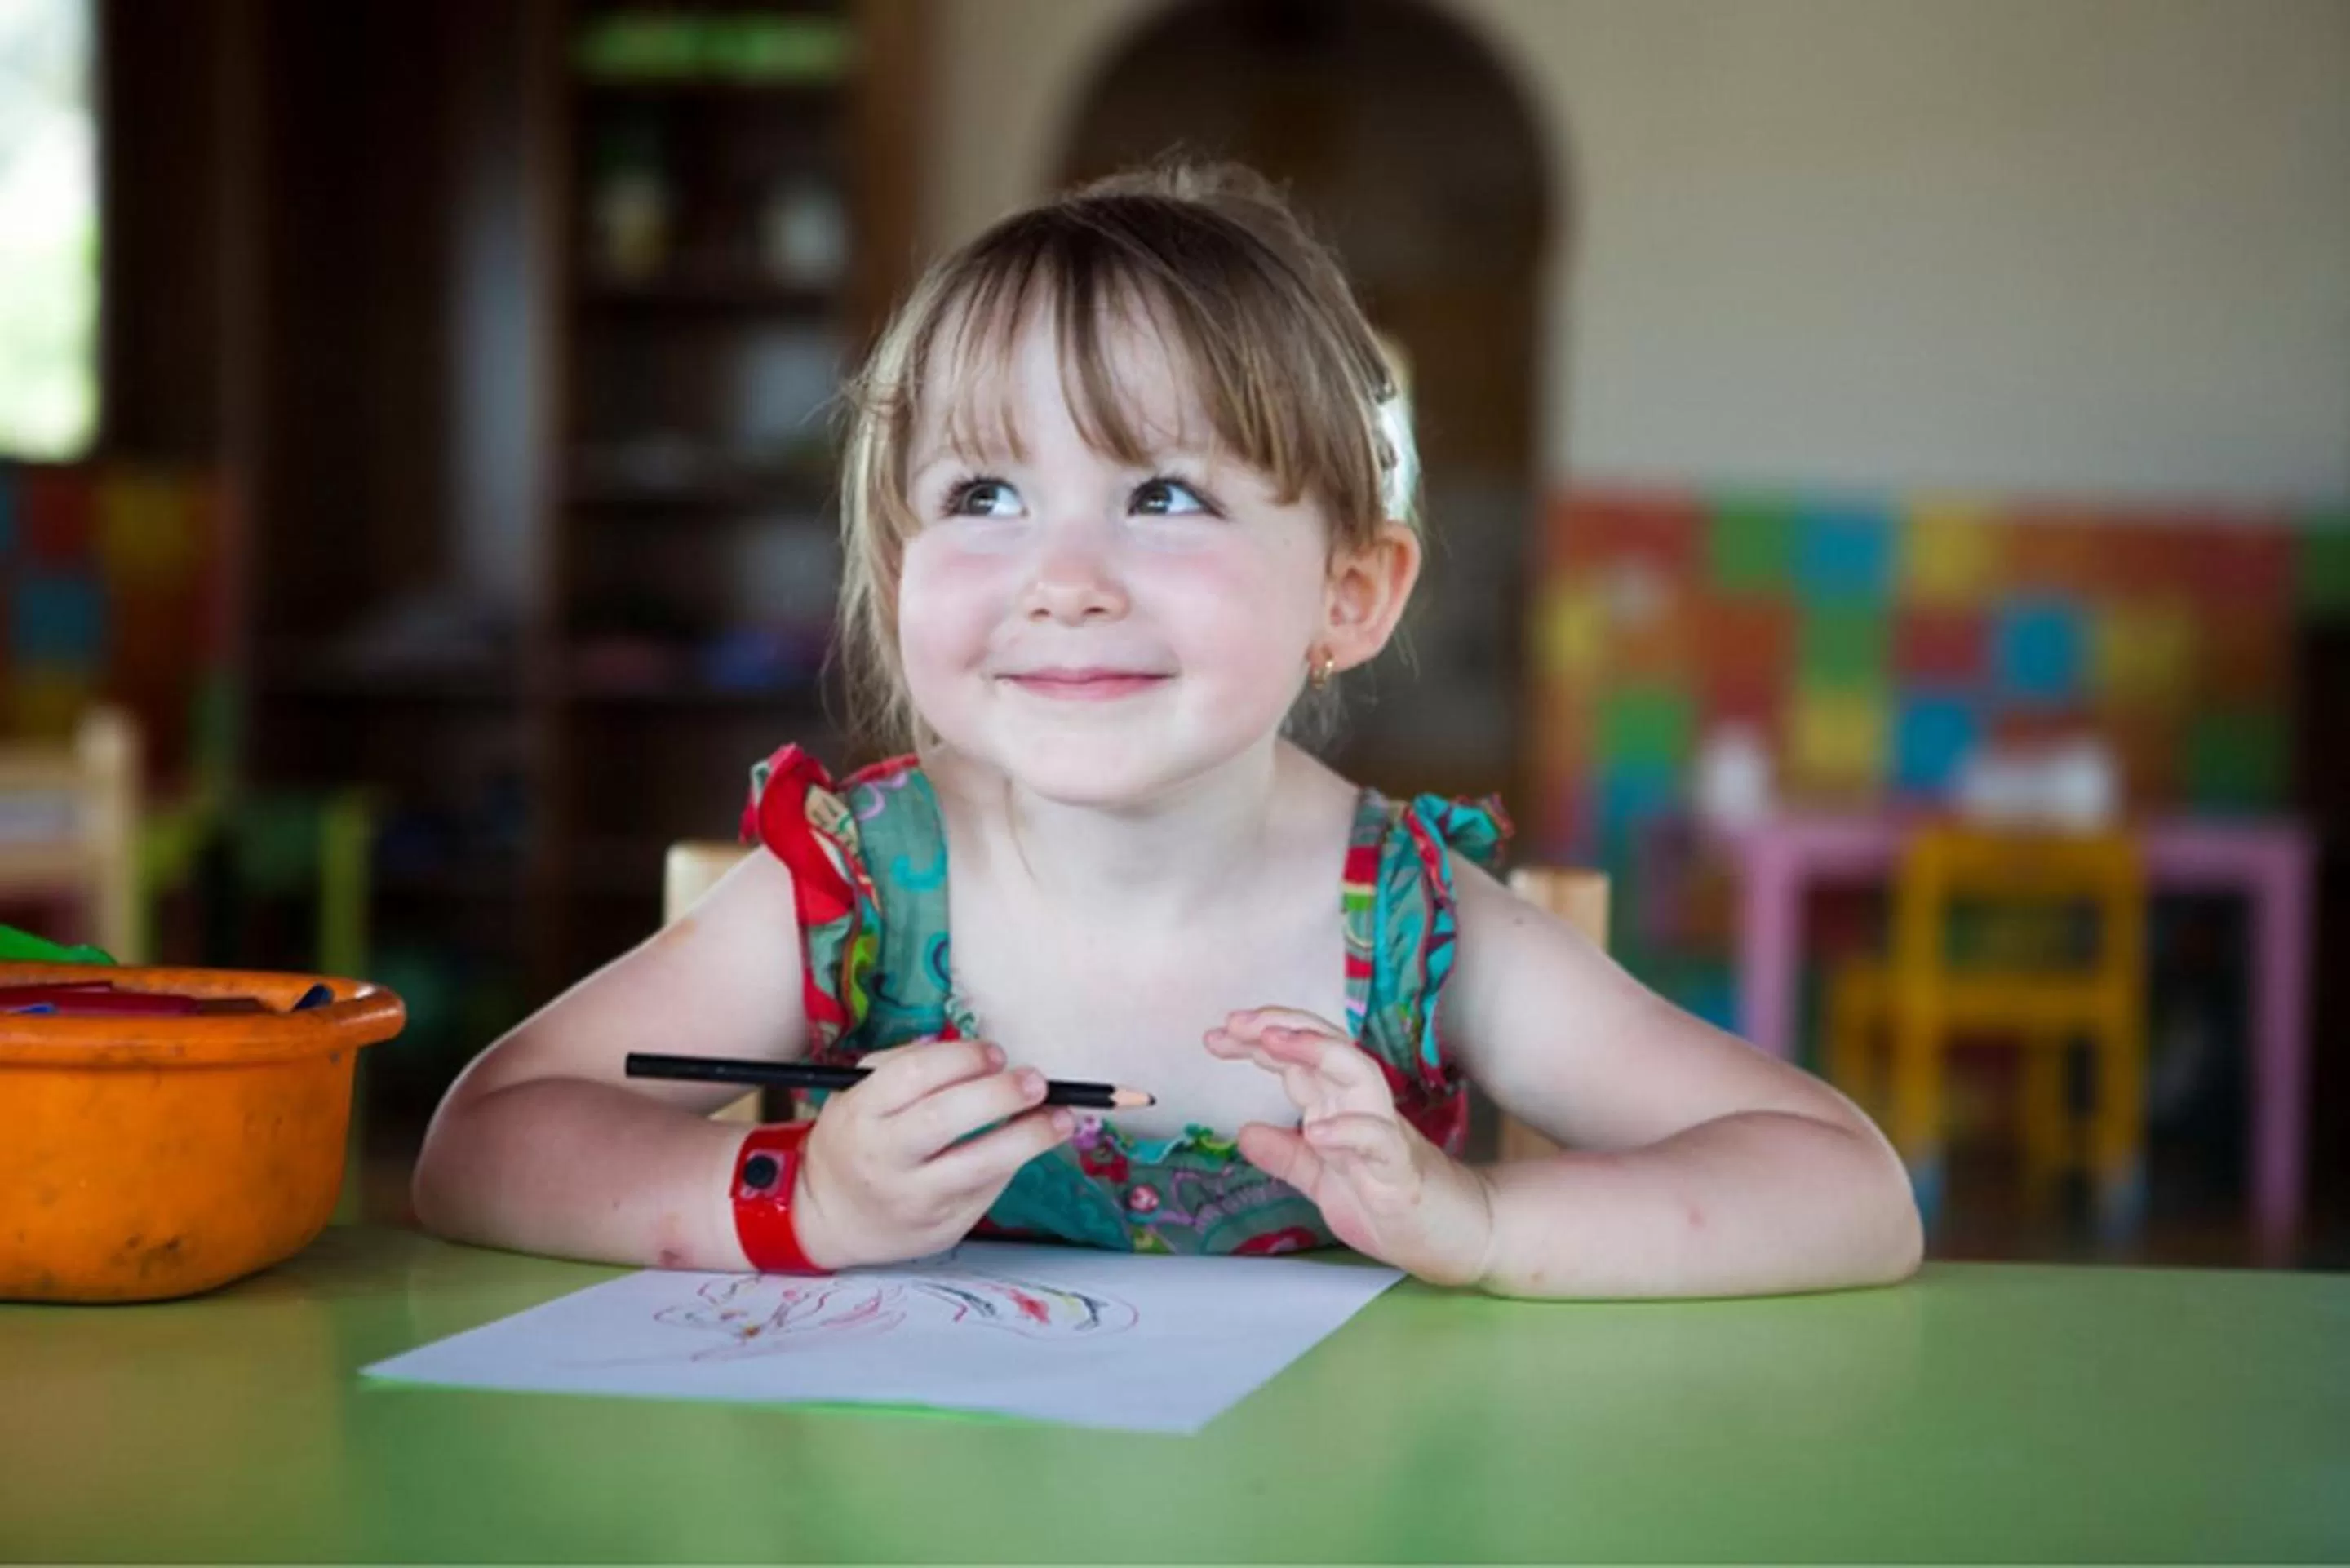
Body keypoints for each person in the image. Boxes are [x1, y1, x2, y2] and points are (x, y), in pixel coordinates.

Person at [412, 162, 1922, 1298]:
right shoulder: (861, 887)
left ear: (1351, 591)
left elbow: (1849, 1187)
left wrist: (1479, 1223)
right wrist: (799, 1202)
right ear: (894, 576)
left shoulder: (1409, 928)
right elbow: (483, 1144)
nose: (1063, 582)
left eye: (1165, 495)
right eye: (983, 498)